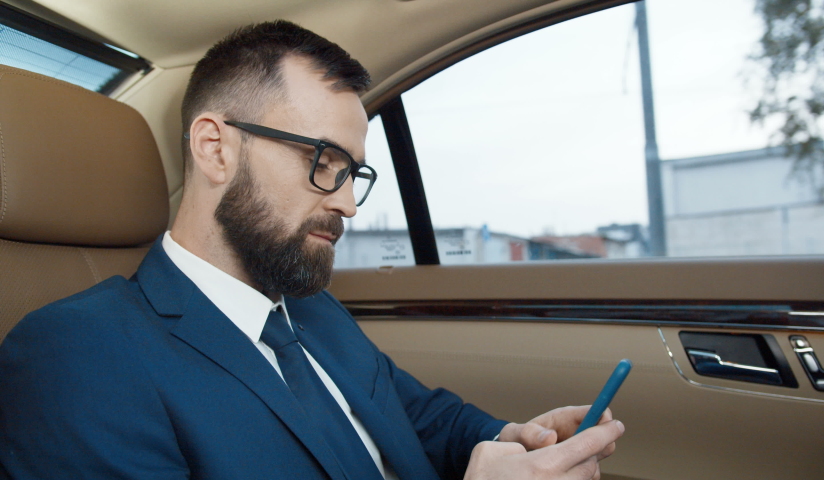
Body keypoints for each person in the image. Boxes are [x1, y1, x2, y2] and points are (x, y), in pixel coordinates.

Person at [0, 20, 624, 480]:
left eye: (355, 172)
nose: (350, 204)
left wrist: (514, 438)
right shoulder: (76, 356)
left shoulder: (311, 308)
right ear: (215, 148)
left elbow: (418, 417)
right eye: (324, 161)